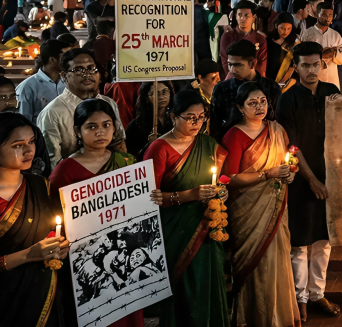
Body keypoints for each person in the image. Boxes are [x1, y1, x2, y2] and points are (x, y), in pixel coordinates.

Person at [48, 98, 143, 327]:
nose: (100, 132)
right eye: (92, 126)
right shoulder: (65, 170)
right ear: (78, 132)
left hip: (124, 255)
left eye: (106, 125)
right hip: (88, 258)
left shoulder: (127, 163)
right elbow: (55, 216)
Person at [220, 82, 301, 327]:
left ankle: (278, 317)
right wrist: (268, 175)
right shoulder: (234, 135)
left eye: (263, 101)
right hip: (247, 212)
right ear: (240, 107)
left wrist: (290, 174)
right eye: (252, 103)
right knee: (252, 265)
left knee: (277, 259)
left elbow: (290, 161)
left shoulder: (277, 130)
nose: (259, 107)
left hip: (276, 206)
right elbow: (228, 179)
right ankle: (252, 318)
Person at [145, 90, 228, 327]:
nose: (197, 123)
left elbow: (221, 182)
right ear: (173, 117)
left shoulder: (208, 144)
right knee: (184, 288)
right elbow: (150, 198)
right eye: (190, 117)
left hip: (208, 228)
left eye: (202, 117)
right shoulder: (159, 149)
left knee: (208, 282)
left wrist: (221, 193)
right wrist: (188, 195)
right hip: (176, 231)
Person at [276, 42, 342, 320]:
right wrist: (312, 180)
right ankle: (299, 297)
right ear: (296, 67)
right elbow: (291, 145)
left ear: (323, 65)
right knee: (300, 242)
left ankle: (318, 294)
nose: (311, 70)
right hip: (302, 180)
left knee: (323, 241)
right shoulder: (287, 100)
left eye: (316, 64)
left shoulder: (332, 94)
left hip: (331, 177)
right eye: (305, 65)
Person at [0, 113, 69, 326]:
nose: (29, 150)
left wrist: (59, 247)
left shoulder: (40, 186)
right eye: (18, 145)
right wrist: (28, 255)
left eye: (31, 141)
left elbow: (53, 232)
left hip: (40, 293)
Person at [38, 48, 125, 166]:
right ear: (64, 76)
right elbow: (53, 163)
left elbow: (119, 144)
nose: (87, 74)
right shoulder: (53, 113)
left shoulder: (108, 103)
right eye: (78, 70)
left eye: (91, 68)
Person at [210, 40, 282, 139]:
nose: (232, 70)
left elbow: (279, 123)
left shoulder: (271, 87)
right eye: (230, 64)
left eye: (238, 65)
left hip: (267, 146)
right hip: (230, 145)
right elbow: (215, 127)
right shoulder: (222, 89)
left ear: (253, 63)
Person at [219, 0, 267, 77]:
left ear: (253, 17)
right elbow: (225, 62)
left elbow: (261, 65)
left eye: (246, 15)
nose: (242, 18)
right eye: (240, 15)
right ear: (236, 16)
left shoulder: (260, 39)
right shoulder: (227, 37)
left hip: (253, 79)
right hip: (233, 77)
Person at [124, 81, 172, 157]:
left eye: (165, 91)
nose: (161, 97)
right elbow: (131, 157)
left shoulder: (176, 119)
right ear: (146, 97)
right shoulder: (136, 125)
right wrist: (149, 145)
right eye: (155, 93)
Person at [265, 12, 298, 85]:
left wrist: (285, 80)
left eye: (289, 28)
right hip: (268, 78)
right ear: (276, 25)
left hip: (286, 81)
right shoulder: (268, 41)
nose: (286, 31)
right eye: (282, 28)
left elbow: (294, 65)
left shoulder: (294, 44)